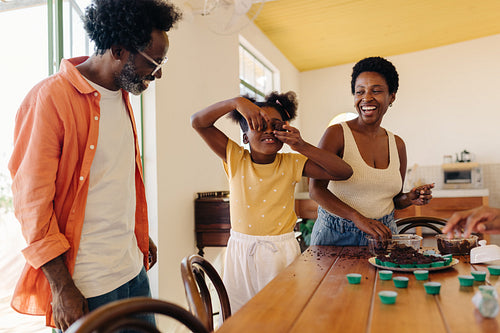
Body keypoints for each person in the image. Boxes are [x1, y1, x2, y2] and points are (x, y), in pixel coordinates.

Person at [8, 0, 181, 331]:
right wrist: (62, 288)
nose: (159, 74)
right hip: (88, 286)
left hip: (132, 269)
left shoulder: (122, 98)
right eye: (154, 63)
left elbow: (113, 179)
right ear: (117, 50)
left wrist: (138, 234)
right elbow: (32, 206)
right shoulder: (48, 100)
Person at [191, 91, 353, 312]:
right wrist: (236, 103)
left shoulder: (292, 163)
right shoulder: (235, 157)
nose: (268, 131)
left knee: (282, 314)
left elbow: (343, 172)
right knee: (240, 316)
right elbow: (198, 122)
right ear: (245, 137)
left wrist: (301, 145)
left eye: (275, 126)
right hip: (240, 252)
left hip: (280, 253)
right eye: (258, 124)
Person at [309, 56, 434, 246]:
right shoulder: (336, 134)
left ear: (391, 96)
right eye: (360, 92)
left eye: (376, 91)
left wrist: (410, 198)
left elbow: (394, 200)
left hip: (383, 235)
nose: (366, 98)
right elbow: (316, 190)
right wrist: (357, 218)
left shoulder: (397, 144)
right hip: (336, 235)